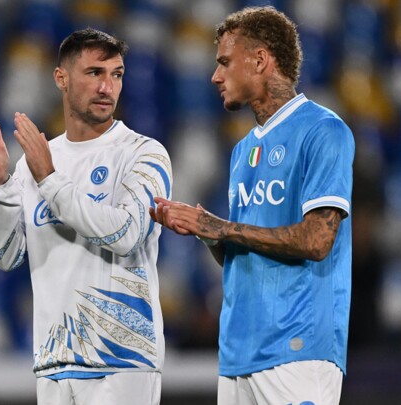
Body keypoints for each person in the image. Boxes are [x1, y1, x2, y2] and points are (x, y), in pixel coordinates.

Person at [150, 6, 354, 405]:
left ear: (260, 60)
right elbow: (244, 254)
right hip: (238, 353)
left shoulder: (323, 130)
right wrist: (205, 232)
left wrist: (222, 227)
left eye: (225, 62)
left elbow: (316, 240)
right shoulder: (242, 151)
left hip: (297, 349)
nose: (215, 76)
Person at [0, 28, 171, 405]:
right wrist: (2, 186)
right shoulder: (36, 160)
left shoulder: (143, 154)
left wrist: (50, 179)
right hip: (54, 362)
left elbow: (126, 234)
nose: (107, 87)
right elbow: (5, 256)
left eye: (117, 74)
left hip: (121, 362)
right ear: (61, 78)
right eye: (94, 73)